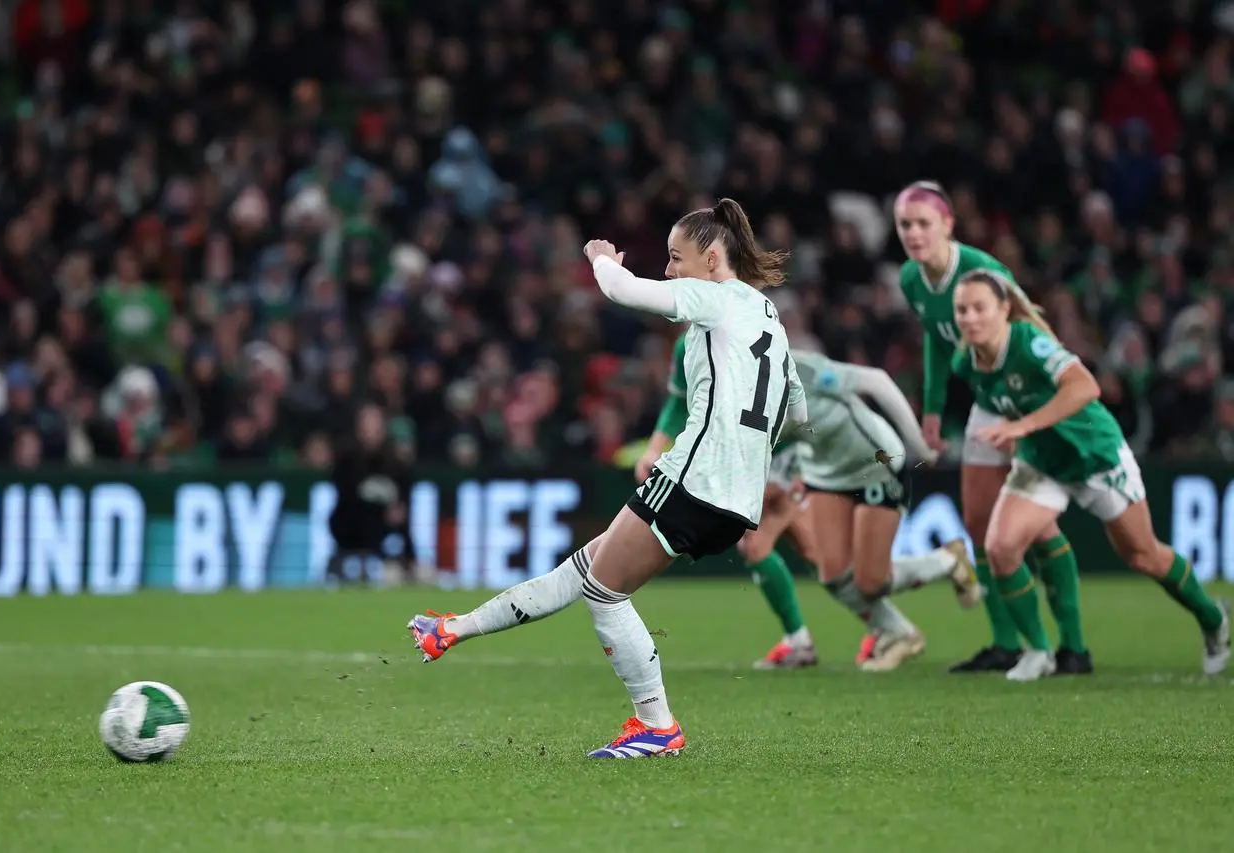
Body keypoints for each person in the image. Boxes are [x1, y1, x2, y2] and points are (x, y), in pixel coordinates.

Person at [409, 198, 808, 758]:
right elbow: (795, 411)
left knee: (604, 591)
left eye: (676, 258)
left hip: (695, 478)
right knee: (584, 571)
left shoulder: (718, 298)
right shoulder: (770, 320)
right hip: (734, 495)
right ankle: (454, 629)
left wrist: (601, 260)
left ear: (714, 258)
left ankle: (657, 727)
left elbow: (624, 291)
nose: (669, 271)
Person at [951, 269, 1231, 681]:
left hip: (1096, 456)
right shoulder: (966, 362)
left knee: (1142, 555)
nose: (970, 317)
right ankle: (1039, 651)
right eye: (962, 310)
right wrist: (1019, 434)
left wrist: (1025, 425)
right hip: (1043, 463)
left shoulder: (1030, 343)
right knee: (1000, 548)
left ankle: (1213, 618)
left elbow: (1085, 388)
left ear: (1004, 310)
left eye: (980, 308)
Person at [637, 341, 979, 671]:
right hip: (820, 469)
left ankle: (947, 561)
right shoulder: (707, 360)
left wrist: (919, 447)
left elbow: (876, 380)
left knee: (869, 581)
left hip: (872, 461)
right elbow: (684, 403)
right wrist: (659, 449)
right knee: (832, 575)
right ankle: (894, 632)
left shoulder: (798, 368)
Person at [895, 180, 1092, 675]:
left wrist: (1048, 398)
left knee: (1039, 527)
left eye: (924, 223)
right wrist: (933, 409)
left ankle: (1074, 645)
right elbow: (936, 344)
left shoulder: (984, 271)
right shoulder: (910, 280)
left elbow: (1031, 323)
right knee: (979, 523)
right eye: (905, 224)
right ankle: (1006, 641)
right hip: (986, 401)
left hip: (1026, 397)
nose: (914, 233)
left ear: (947, 225)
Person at [326, 404, 414, 585]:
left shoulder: (397, 466)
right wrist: (382, 514)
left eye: (375, 426)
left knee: (418, 575)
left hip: (390, 546)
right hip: (353, 546)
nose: (371, 432)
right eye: (366, 426)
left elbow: (404, 513)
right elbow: (344, 511)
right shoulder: (346, 464)